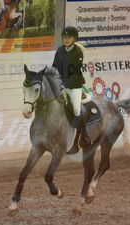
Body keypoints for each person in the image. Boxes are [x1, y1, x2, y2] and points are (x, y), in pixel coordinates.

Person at [52, 26, 90, 154]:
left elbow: (74, 72)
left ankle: (84, 136)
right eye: (64, 37)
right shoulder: (59, 51)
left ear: (74, 38)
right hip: (61, 85)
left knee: (76, 109)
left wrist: (65, 85)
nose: (66, 39)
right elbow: (54, 67)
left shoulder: (78, 52)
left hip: (74, 85)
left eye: (69, 37)